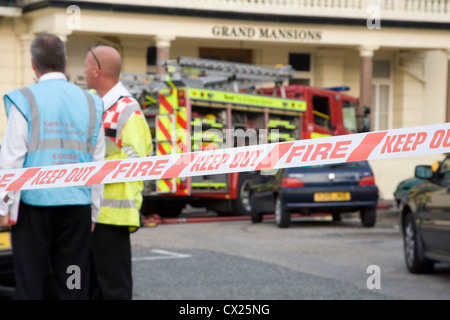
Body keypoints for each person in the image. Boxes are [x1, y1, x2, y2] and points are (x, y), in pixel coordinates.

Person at [0, 33, 105, 300]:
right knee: (73, 278)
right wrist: (93, 211)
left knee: (30, 280)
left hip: (33, 208)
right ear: (66, 61)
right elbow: (98, 162)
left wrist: (4, 206)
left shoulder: (24, 100)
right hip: (76, 207)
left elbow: (11, 158)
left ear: (33, 64)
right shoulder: (92, 103)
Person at [84, 45, 152, 300]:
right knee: (90, 289)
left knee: (114, 290)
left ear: (96, 70)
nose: (83, 72)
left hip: (113, 215)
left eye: (84, 67)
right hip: (92, 212)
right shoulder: (94, 104)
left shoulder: (126, 110)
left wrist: (100, 157)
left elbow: (139, 162)